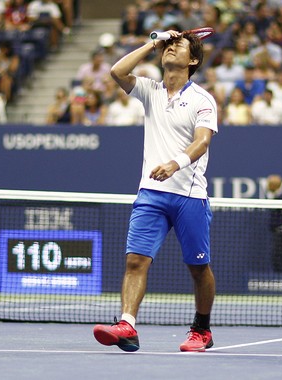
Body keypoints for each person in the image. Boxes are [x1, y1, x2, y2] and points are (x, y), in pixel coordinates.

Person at [93, 29, 218, 353]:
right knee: (136, 260)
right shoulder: (150, 91)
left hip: (189, 194)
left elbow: (202, 142)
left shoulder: (202, 100)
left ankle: (201, 329)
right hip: (151, 193)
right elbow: (117, 72)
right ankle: (127, 325)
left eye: (179, 45)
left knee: (198, 268)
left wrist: (175, 164)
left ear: (192, 60)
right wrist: (152, 43)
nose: (170, 48)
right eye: (169, 45)